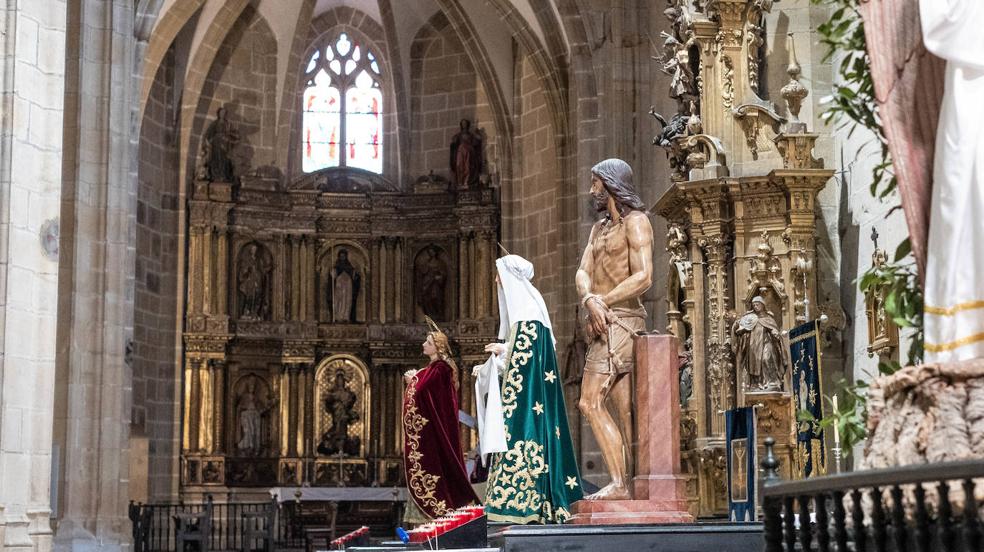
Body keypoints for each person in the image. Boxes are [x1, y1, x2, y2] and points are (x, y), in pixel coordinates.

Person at [481, 255, 583, 523]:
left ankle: (524, 503)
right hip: (527, 398)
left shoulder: (527, 316)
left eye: (498, 275)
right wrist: (494, 363)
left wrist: (503, 351)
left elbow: (524, 360)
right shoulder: (528, 315)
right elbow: (522, 357)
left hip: (526, 405)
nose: (495, 280)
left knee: (518, 438)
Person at [575, 159, 653, 501]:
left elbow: (644, 276)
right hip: (600, 319)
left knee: (590, 402)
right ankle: (628, 484)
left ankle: (621, 484)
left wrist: (602, 300)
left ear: (611, 184)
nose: (592, 190)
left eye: (596, 183)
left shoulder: (636, 223)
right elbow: (582, 271)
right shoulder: (598, 230)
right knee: (622, 410)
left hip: (622, 319)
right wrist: (589, 298)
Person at [401, 318, 479, 520]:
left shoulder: (441, 369)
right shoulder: (432, 370)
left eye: (427, 343)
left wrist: (412, 382)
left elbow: (424, 392)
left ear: (437, 346)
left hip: (434, 436)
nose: (423, 345)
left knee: (436, 472)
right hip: (430, 434)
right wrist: (416, 380)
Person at [732, 296, 789, 391]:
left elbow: (774, 328)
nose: (755, 306)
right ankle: (757, 383)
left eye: (757, 304)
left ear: (763, 305)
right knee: (754, 364)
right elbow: (740, 330)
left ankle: (772, 382)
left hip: (767, 342)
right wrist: (737, 326)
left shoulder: (768, 318)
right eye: (754, 305)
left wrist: (775, 332)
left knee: (767, 359)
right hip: (753, 345)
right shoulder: (749, 318)